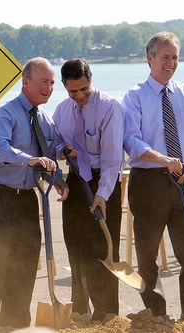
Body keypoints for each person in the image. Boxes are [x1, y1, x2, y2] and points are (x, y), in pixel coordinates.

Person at [0, 57, 68, 328]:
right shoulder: (4, 114)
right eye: (43, 82)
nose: (49, 88)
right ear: (25, 82)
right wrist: (30, 159)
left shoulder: (45, 118)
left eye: (51, 83)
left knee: (25, 264)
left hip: (25, 199)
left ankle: (16, 324)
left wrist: (59, 178)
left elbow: (48, 152)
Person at [123, 31, 184, 319]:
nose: (170, 63)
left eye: (175, 57)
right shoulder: (134, 96)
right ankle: (156, 317)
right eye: (165, 57)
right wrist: (163, 159)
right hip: (149, 183)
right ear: (150, 58)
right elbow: (131, 141)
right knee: (147, 258)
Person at [52, 58, 124, 320]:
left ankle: (106, 314)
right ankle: (79, 310)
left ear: (90, 81)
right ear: (64, 87)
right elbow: (55, 141)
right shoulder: (61, 110)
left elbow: (113, 159)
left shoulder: (109, 108)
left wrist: (102, 194)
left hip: (104, 181)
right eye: (73, 91)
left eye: (84, 89)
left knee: (102, 248)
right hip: (75, 181)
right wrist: (63, 150)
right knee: (76, 246)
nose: (80, 96)